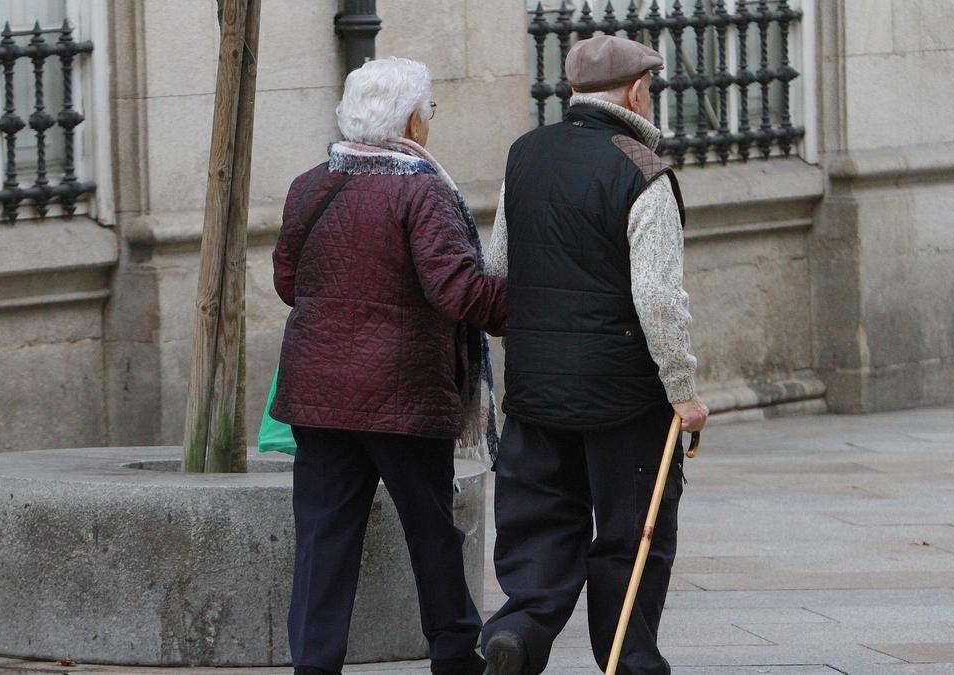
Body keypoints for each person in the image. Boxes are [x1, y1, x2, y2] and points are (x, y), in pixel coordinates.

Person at [480, 36, 709, 675]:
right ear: (636, 91)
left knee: (541, 521)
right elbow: (659, 298)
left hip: (535, 384)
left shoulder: (525, 155)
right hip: (623, 394)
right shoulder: (641, 171)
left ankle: (521, 632)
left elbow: (497, 265)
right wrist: (683, 389)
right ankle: (629, 658)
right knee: (632, 534)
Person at [270, 57, 505, 675]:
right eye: (429, 107)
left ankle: (314, 665)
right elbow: (458, 291)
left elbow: (289, 283)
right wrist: (537, 304)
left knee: (323, 538)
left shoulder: (310, 184)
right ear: (408, 119)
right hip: (401, 396)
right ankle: (455, 652)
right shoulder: (421, 190)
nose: (431, 118)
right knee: (430, 530)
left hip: (318, 395)